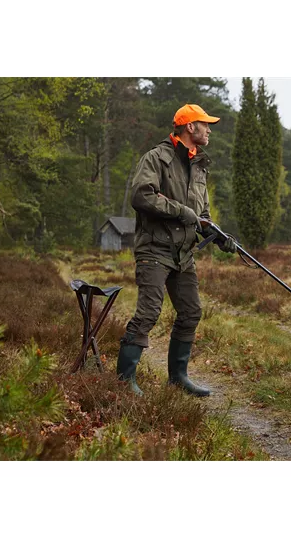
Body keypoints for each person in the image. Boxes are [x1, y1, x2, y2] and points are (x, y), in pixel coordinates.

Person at [116, 104, 237, 396]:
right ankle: (123, 381)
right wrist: (181, 211)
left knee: (191, 311)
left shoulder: (200, 166)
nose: (209, 130)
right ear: (189, 127)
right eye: (205, 124)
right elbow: (141, 196)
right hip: (154, 250)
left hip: (183, 254)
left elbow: (202, 216)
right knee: (148, 313)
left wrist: (220, 237)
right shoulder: (156, 158)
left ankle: (178, 378)